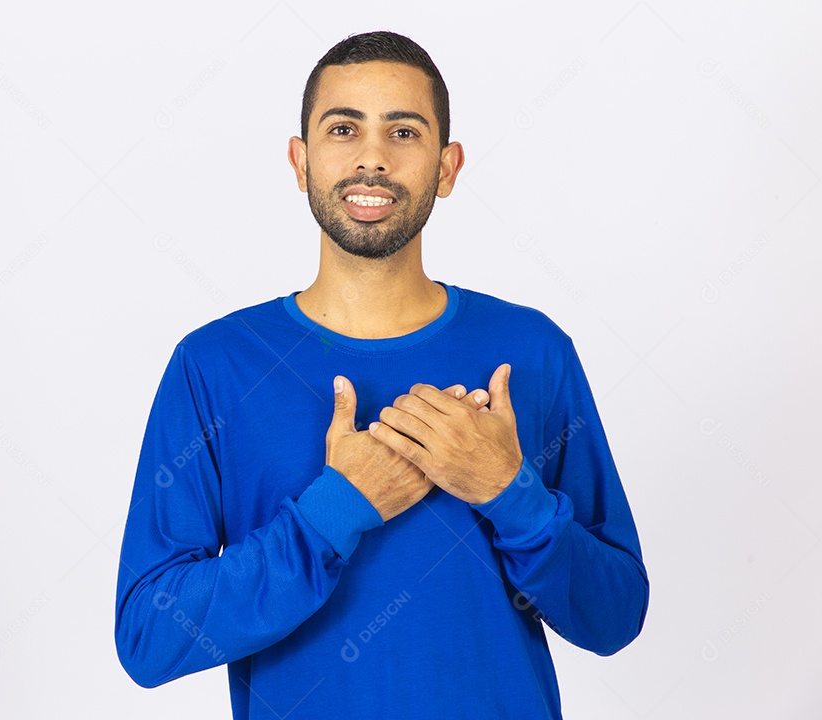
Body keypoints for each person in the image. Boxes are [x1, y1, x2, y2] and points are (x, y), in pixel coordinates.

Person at [114, 30, 648, 719]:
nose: (372, 158)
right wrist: (335, 511)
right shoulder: (215, 364)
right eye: (343, 129)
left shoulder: (532, 351)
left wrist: (509, 494)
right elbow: (150, 638)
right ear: (300, 162)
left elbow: (616, 617)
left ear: (447, 168)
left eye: (404, 131)